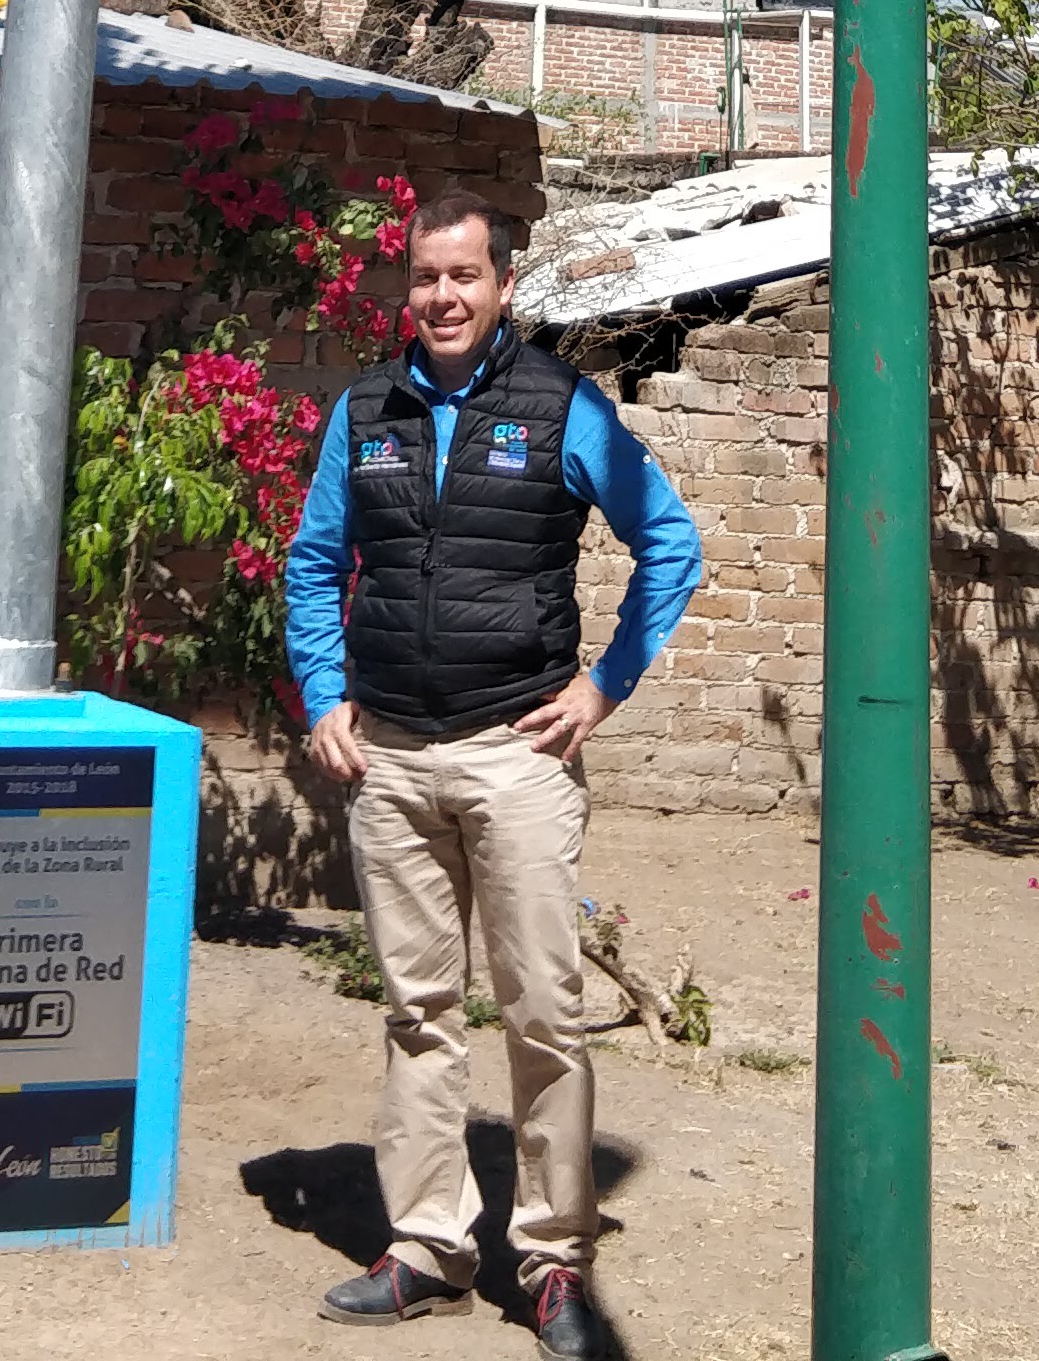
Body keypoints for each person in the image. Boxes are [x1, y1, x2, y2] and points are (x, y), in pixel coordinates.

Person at [284, 182, 703, 1351]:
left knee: (542, 1014)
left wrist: (603, 686)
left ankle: (556, 1258)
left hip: (517, 756)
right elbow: (316, 561)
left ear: (505, 285)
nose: (443, 295)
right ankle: (428, 1247)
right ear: (406, 288)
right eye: (426, 277)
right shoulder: (366, 410)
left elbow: (669, 540)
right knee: (417, 1012)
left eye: (465, 275)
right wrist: (325, 697)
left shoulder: (562, 406)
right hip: (395, 766)